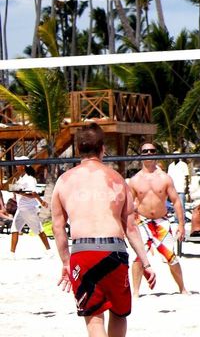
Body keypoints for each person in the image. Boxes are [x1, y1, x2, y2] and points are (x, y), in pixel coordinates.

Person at [51, 123, 157, 337]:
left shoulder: (64, 181)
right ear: (102, 148)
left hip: (82, 252)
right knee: (119, 313)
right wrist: (145, 262)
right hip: (114, 251)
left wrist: (66, 262)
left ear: (78, 149)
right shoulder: (117, 179)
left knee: (94, 316)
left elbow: (58, 227)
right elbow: (130, 227)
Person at [127, 143, 187, 295]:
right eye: (145, 151)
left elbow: (176, 201)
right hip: (142, 220)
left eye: (152, 151)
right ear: (141, 154)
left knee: (171, 257)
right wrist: (126, 226)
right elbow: (128, 205)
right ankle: (135, 292)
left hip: (161, 221)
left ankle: (182, 288)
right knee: (139, 256)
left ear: (156, 153)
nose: (148, 153)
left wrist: (181, 224)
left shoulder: (165, 178)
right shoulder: (135, 180)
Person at [9, 161, 52, 257]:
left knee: (39, 230)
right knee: (14, 229)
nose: (16, 166)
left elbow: (33, 194)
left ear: (23, 166)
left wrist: (41, 201)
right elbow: (18, 191)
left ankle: (49, 251)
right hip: (21, 208)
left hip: (29, 209)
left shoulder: (30, 179)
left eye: (18, 165)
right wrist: (14, 190)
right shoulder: (21, 178)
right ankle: (12, 254)